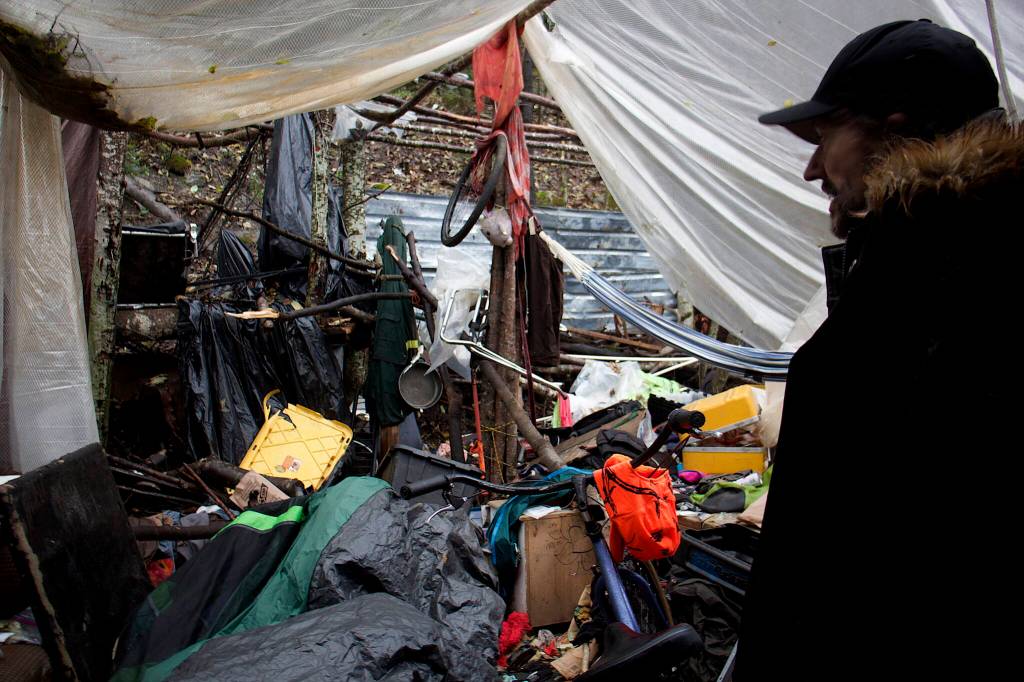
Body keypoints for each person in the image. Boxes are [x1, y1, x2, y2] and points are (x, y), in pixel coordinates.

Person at [737, 19, 1017, 679]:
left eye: (823, 137)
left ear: (893, 131)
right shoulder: (931, 260)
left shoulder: (938, 286)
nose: (811, 169)